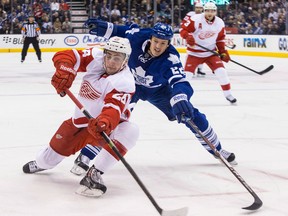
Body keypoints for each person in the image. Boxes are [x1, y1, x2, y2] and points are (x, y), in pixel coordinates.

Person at [70, 20, 237, 179]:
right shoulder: (138, 37)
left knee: (191, 115)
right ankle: (86, 155)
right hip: (130, 85)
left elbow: (180, 81)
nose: (158, 46)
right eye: (156, 41)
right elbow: (122, 31)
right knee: (113, 117)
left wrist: (180, 97)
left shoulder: (171, 59)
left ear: (169, 43)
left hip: (159, 91)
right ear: (151, 38)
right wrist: (107, 28)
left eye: (163, 43)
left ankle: (217, 149)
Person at [22, 36, 139, 197]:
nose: (111, 61)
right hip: (78, 125)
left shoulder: (124, 81)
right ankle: (42, 163)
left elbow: (113, 108)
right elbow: (66, 55)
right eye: (109, 56)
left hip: (104, 129)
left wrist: (104, 122)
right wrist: (64, 70)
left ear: (125, 61)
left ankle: (94, 174)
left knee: (131, 130)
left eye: (117, 58)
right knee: (46, 160)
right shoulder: (97, 56)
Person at [179, 2, 237, 104]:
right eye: (207, 11)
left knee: (221, 72)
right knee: (187, 76)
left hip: (210, 53)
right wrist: (187, 36)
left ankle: (228, 94)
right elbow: (183, 29)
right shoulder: (195, 19)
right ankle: (182, 97)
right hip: (194, 53)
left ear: (215, 12)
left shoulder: (220, 23)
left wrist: (223, 52)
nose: (210, 13)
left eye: (212, 11)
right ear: (204, 11)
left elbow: (220, 40)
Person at [183, 1, 206, 77]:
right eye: (197, 8)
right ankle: (190, 69)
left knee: (202, 53)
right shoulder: (190, 15)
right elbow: (184, 25)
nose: (198, 9)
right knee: (190, 53)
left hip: (202, 38)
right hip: (192, 37)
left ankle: (199, 70)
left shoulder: (204, 16)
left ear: (202, 9)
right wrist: (188, 35)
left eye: (200, 8)